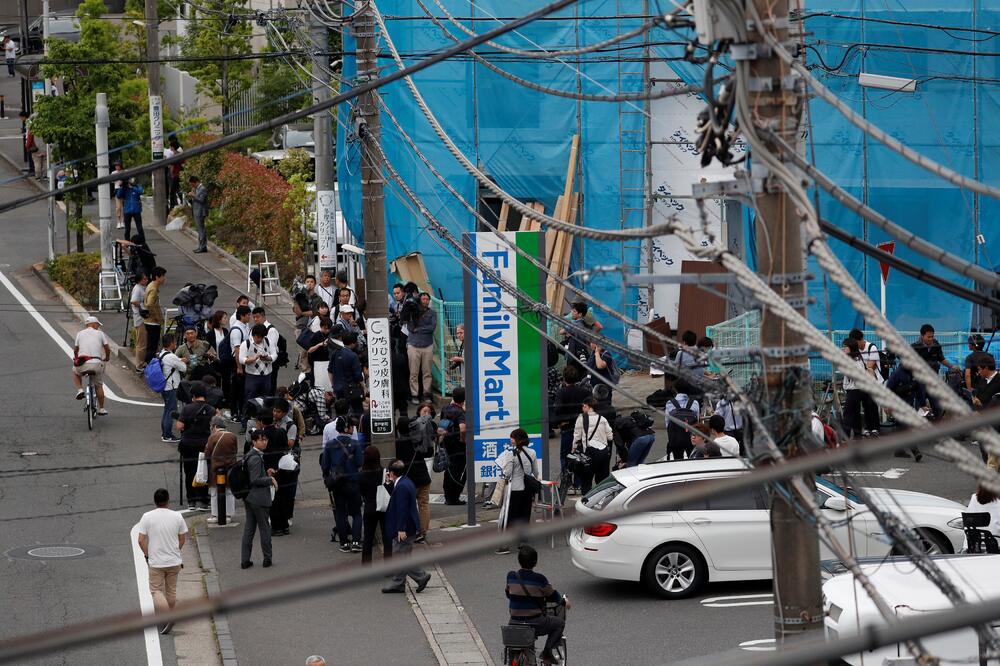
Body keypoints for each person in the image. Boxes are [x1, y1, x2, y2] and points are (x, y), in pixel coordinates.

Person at [504, 544, 569, 665]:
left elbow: (508, 594)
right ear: (535, 562)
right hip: (535, 623)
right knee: (559, 623)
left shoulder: (511, 576)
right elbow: (554, 595)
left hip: (514, 622)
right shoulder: (540, 579)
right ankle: (547, 652)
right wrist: (565, 602)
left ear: (519, 561)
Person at [137, 488, 188, 635]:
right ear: (168, 501)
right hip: (174, 560)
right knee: (171, 590)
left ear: (155, 502)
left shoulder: (147, 517)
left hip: (156, 562)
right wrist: (176, 551)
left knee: (156, 590)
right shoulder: (177, 516)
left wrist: (147, 555)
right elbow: (182, 539)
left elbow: (140, 540)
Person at [382, 460, 432, 593]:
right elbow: (396, 496)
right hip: (410, 526)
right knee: (403, 555)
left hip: (405, 528)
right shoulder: (405, 482)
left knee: (400, 556)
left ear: (391, 473)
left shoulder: (402, 486)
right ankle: (398, 582)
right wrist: (388, 483)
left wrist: (401, 529)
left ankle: (421, 576)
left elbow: (402, 509)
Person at [321, 416, 364, 552]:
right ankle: (356, 541)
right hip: (353, 482)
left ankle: (344, 543)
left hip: (337, 483)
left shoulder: (330, 445)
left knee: (340, 513)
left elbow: (325, 465)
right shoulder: (355, 444)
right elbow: (359, 462)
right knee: (357, 513)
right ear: (348, 428)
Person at [495, 429, 539, 554]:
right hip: (528, 489)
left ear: (517, 439)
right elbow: (535, 472)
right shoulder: (532, 452)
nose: (511, 439)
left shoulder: (510, 454)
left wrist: (503, 467)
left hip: (514, 489)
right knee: (524, 515)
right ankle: (523, 541)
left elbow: (507, 473)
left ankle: (504, 545)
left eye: (512, 437)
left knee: (510, 516)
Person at [241, 429, 276, 569]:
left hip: (249, 498)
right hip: (259, 498)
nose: (265, 442)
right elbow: (255, 480)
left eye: (266, 439)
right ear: (254, 441)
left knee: (249, 529)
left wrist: (266, 472)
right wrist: (270, 479)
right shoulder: (255, 457)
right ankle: (267, 558)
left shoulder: (250, 455)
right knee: (264, 529)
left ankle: (245, 560)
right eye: (261, 440)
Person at [553, 366, 591, 494]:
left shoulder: (561, 392)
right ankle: (578, 484)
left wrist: (560, 421)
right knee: (580, 455)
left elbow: (557, 410)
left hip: (567, 428)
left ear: (564, 378)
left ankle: (566, 482)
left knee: (565, 456)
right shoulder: (584, 392)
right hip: (582, 429)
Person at [395, 414, 432, 542]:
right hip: (423, 477)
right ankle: (423, 532)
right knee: (424, 505)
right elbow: (429, 452)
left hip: (408, 481)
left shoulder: (397, 444)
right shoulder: (417, 439)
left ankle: (411, 530)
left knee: (408, 506)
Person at [177, 383, 214, 511]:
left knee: (190, 472)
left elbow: (179, 426)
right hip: (205, 445)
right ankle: (204, 500)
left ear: (193, 395)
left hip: (187, 444)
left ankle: (191, 502)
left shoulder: (187, 408)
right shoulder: (211, 409)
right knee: (204, 471)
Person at [912, 323, 958, 419]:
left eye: (932, 336)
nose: (931, 339)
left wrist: (952, 366)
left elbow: (941, 359)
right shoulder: (915, 347)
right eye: (929, 337)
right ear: (922, 336)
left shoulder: (936, 344)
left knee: (937, 408)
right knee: (920, 408)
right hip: (920, 383)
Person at [571, 397, 614, 494]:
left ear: (588, 407)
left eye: (583, 406)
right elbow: (610, 436)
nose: (582, 408)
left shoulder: (581, 418)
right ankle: (602, 500)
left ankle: (587, 502)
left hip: (590, 453)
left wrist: (573, 448)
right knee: (602, 480)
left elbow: (577, 435)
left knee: (586, 480)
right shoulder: (602, 418)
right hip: (603, 453)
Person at [359, 445, 392, 564]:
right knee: (387, 537)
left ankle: (367, 567)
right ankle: (389, 566)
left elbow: (361, 491)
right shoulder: (385, 472)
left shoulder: (361, 474)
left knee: (368, 538)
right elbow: (390, 487)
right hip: (384, 508)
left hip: (369, 508)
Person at [270, 399, 299, 535]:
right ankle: (281, 518)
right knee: (277, 491)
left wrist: (278, 435)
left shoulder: (290, 425)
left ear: (285, 412)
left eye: (278, 411)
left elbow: (290, 443)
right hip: (276, 461)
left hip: (287, 462)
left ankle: (288, 516)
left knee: (289, 491)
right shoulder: (271, 422)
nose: (275, 413)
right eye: (274, 410)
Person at [72, 316, 111, 415]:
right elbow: (107, 349)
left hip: (83, 363)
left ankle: (80, 390)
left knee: (75, 371)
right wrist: (107, 357)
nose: (98, 327)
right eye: (97, 324)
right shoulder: (100, 333)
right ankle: (101, 409)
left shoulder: (80, 334)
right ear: (93, 324)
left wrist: (76, 357)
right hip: (97, 364)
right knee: (98, 386)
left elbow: (76, 349)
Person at [842, 338, 880, 439]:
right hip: (856, 389)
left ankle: (844, 438)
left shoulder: (854, 361)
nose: (843, 349)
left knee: (848, 414)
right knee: (855, 414)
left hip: (854, 390)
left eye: (845, 347)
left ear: (851, 348)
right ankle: (857, 436)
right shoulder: (856, 358)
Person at [204, 416, 238, 524]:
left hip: (216, 469)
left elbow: (207, 454)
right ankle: (229, 514)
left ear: (214, 426)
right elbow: (236, 451)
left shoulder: (213, 437)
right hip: (231, 468)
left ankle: (215, 515)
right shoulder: (233, 436)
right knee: (229, 491)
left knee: (214, 492)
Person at [239, 324, 274, 425]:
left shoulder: (267, 341)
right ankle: (245, 422)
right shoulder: (246, 344)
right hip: (252, 376)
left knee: (265, 399)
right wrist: (253, 359)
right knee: (249, 399)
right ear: (254, 335)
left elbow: (274, 354)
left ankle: (265, 421)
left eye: (262, 337)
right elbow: (241, 359)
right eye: (258, 337)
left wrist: (268, 358)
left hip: (266, 375)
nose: (260, 339)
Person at [406, 292, 437, 404]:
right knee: (413, 372)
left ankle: (426, 394)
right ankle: (414, 394)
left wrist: (419, 329)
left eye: (427, 299)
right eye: (423, 299)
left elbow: (432, 327)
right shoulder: (412, 312)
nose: (425, 301)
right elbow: (410, 327)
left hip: (427, 345)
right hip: (413, 345)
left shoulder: (432, 313)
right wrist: (421, 328)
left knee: (427, 372)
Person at [157, 333, 187, 443]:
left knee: (166, 410)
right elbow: (183, 368)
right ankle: (168, 435)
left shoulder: (162, 354)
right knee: (171, 411)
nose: (175, 343)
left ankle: (164, 433)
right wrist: (183, 362)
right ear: (171, 344)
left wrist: (179, 360)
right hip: (171, 387)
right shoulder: (171, 356)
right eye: (174, 341)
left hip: (164, 387)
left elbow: (173, 362)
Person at [440, 387, 467, 505]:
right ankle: (454, 498)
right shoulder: (460, 412)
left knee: (448, 470)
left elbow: (441, 426)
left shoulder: (445, 408)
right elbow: (463, 428)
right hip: (458, 446)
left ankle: (448, 497)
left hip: (447, 443)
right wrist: (463, 439)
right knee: (459, 470)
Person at [330, 331, 364, 414]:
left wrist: (333, 386)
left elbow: (330, 371)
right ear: (352, 343)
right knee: (357, 412)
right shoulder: (353, 356)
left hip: (338, 388)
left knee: (341, 412)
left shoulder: (335, 353)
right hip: (352, 390)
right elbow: (358, 376)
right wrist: (364, 387)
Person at [665, 385, 700, 460]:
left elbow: (667, 423)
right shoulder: (694, 403)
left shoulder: (670, 403)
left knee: (678, 461)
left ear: (675, 389)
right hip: (691, 439)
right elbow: (697, 422)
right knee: (692, 460)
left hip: (675, 440)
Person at [144, 267, 167, 363]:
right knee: (152, 347)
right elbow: (149, 304)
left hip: (148, 321)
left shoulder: (151, 285)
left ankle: (149, 365)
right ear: (157, 277)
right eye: (163, 276)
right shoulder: (153, 289)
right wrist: (157, 317)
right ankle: (151, 366)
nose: (164, 278)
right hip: (153, 322)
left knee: (151, 345)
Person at [129, 273, 149, 369]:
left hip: (142, 319)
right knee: (141, 343)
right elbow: (133, 301)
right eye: (144, 279)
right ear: (139, 280)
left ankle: (142, 362)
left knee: (142, 342)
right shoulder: (138, 288)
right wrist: (142, 307)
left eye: (146, 278)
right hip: (140, 319)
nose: (146, 280)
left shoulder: (142, 287)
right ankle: (139, 364)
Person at [118, 178, 145, 242]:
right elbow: (118, 195)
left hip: (136, 210)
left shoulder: (136, 186)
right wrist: (122, 186)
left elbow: (141, 191)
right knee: (127, 229)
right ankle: (127, 242)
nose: (130, 181)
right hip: (127, 211)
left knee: (140, 228)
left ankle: (143, 241)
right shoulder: (124, 188)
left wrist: (133, 186)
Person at [189, 175, 208, 253]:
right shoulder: (197, 189)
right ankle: (201, 246)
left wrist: (193, 195)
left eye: (192, 184)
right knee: (199, 229)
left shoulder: (202, 189)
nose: (192, 186)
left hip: (200, 212)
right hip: (197, 211)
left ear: (196, 182)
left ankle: (202, 247)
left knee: (201, 229)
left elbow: (201, 200)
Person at [167, 137, 184, 209]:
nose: (169, 148)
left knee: (172, 192)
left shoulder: (174, 156)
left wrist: (171, 175)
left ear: (172, 147)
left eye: (170, 146)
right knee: (178, 190)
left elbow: (172, 167)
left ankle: (172, 206)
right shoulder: (181, 154)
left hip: (175, 175)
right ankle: (183, 203)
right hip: (181, 175)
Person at [113, 161, 125, 229]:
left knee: (124, 207)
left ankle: (123, 221)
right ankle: (118, 222)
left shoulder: (124, 172)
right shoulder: (113, 173)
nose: (117, 167)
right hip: (117, 190)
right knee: (118, 207)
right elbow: (112, 181)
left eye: (118, 165)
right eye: (116, 166)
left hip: (124, 189)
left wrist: (122, 181)